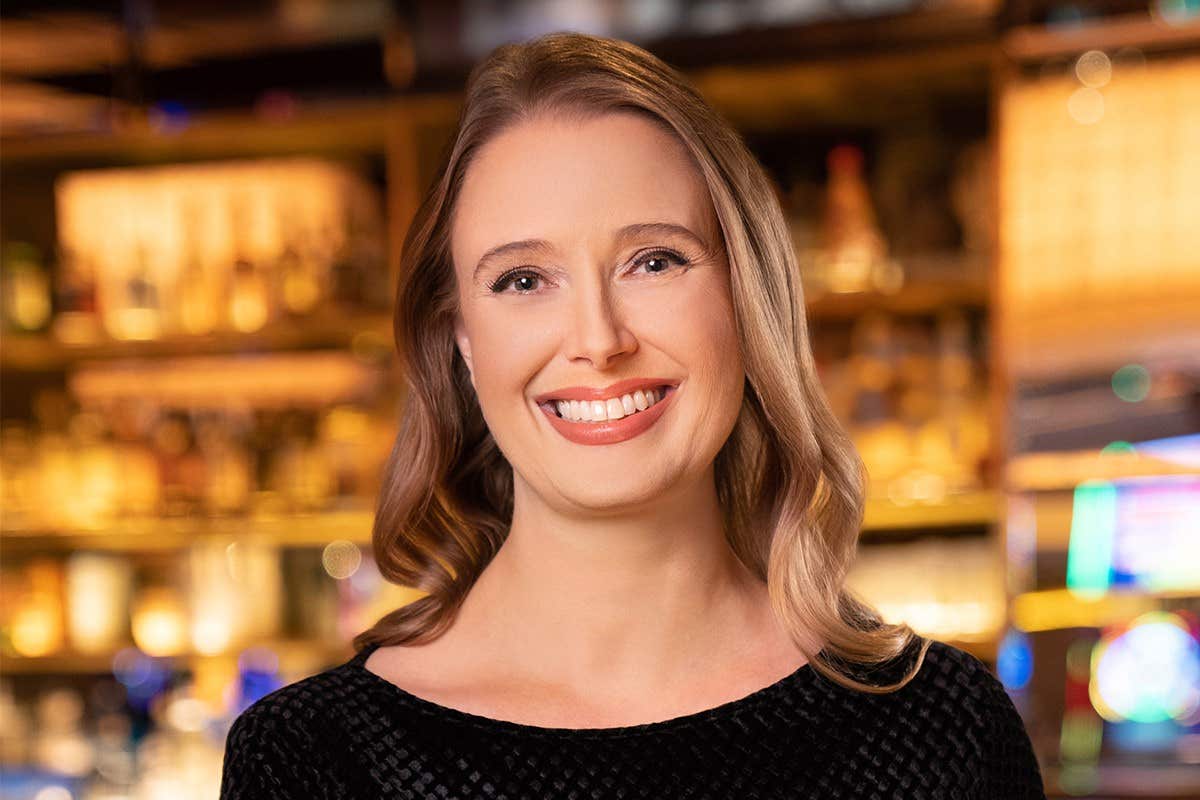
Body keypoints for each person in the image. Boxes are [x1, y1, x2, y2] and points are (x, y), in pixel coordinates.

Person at [220, 31, 1045, 799]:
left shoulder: (942, 730)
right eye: (522, 280)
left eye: (654, 261)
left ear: (745, 299)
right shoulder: (312, 760)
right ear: (463, 340)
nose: (598, 340)